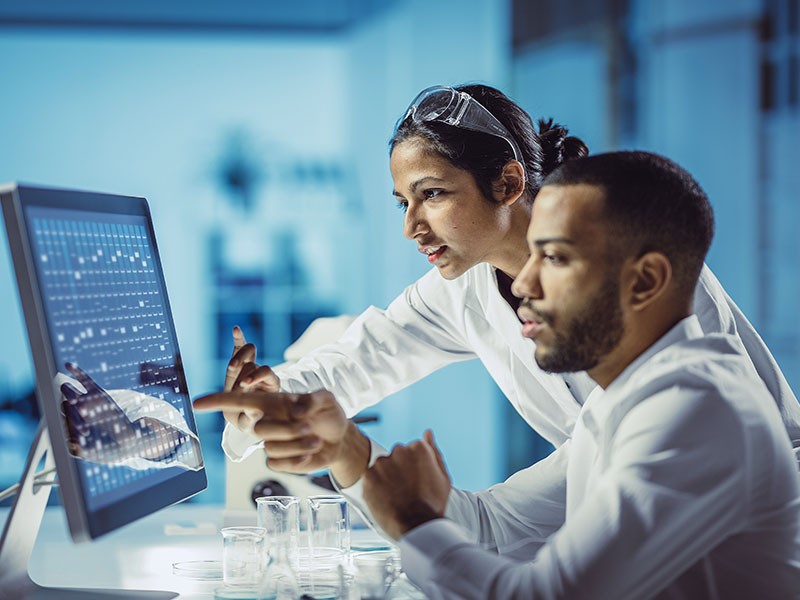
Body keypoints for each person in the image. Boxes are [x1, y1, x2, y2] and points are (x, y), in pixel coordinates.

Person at [196, 151, 800, 598]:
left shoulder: (692, 412)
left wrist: (414, 521)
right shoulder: (615, 410)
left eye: (555, 258)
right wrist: (346, 448)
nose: (525, 287)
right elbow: (491, 527)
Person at [219, 83, 800, 473]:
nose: (412, 227)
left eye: (433, 195)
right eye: (403, 203)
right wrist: (276, 396)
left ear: (508, 184)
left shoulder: (626, 265)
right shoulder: (463, 289)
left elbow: (710, 436)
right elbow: (363, 358)